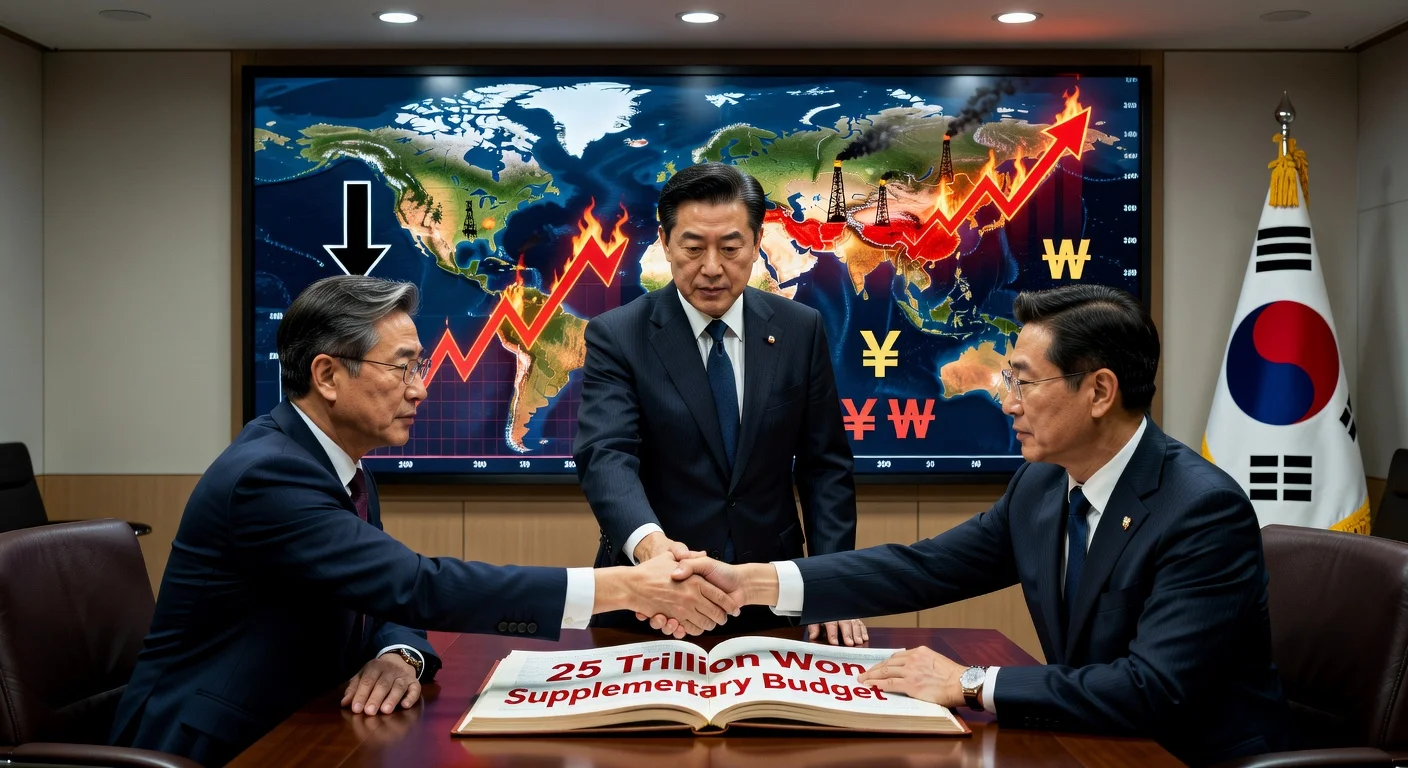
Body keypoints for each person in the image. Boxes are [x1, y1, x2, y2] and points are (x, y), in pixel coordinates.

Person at [111, 276, 740, 767]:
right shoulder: (269, 476)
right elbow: (416, 584)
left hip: (300, 720)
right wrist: (624, 588)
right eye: (403, 367)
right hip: (217, 743)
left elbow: (380, 592)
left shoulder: (338, 466)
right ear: (327, 375)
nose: (420, 389)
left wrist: (399, 653)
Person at [664, 285, 1290, 766]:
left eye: (1024, 381)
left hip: (1185, 756)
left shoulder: (1201, 511)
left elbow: (1151, 689)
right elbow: (924, 568)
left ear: (1100, 391)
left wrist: (968, 682)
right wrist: (754, 582)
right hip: (1091, 741)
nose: (1007, 401)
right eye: (1008, 379)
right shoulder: (1043, 485)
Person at [574, 163, 866, 644]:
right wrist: (652, 550)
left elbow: (825, 467)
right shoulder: (619, 335)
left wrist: (830, 584)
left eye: (730, 248)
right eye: (693, 248)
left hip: (770, 598)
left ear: (757, 243)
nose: (711, 267)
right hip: (650, 597)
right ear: (665, 243)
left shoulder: (800, 329)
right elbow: (606, 455)